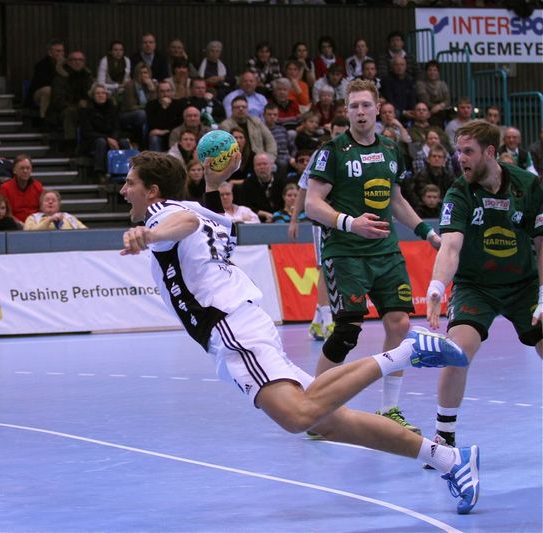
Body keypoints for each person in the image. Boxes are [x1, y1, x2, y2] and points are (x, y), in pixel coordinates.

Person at [118, 150, 480, 516]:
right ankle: (450, 459)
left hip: (230, 330)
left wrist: (150, 233)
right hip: (243, 324)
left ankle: (406, 352)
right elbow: (201, 222)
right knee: (330, 422)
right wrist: (213, 185)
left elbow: (182, 222)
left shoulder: (163, 213)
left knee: (297, 417)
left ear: (153, 191)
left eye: (130, 183)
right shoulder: (204, 214)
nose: (123, 190)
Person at [305, 79, 442, 433]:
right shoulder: (332, 152)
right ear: (346, 111)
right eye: (354, 106)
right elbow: (312, 204)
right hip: (346, 253)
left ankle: (389, 409)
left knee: (399, 324)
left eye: (366, 105)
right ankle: (313, 410)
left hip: (386, 251)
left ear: (378, 108)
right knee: (347, 331)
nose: (361, 112)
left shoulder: (391, 149)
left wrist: (427, 233)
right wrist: (351, 223)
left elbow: (396, 201)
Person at [424, 119, 542, 457]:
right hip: (476, 286)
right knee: (457, 352)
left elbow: (542, 244)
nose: (460, 158)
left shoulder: (528, 185)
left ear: (490, 152)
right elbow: (450, 247)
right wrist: (436, 285)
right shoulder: (459, 192)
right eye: (458, 151)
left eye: (468, 151)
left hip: (524, 284)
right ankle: (444, 438)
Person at [288, 118, 351, 342]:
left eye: (344, 132)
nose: (340, 136)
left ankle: (316, 323)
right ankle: (328, 320)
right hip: (322, 221)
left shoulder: (356, 154)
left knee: (338, 269)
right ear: (330, 132)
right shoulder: (322, 154)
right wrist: (294, 220)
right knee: (326, 267)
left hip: (346, 220)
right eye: (336, 132)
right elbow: (303, 187)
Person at [48, 50, 94, 154]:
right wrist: (77, 105)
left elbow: (93, 94)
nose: (77, 62)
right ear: (68, 62)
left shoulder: (88, 78)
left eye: (80, 60)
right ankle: (70, 144)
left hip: (86, 108)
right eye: (74, 60)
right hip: (62, 111)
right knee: (71, 112)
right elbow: (57, 101)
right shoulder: (60, 78)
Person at [79, 82, 128, 179]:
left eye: (103, 93)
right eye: (97, 93)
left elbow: (117, 127)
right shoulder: (87, 110)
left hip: (111, 138)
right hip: (93, 140)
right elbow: (87, 132)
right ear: (93, 96)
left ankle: (125, 172)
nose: (101, 95)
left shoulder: (113, 108)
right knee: (101, 142)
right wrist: (107, 138)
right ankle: (99, 173)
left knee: (124, 142)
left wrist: (113, 138)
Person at [235, 152, 282, 222]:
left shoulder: (281, 181)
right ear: (254, 167)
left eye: (265, 164)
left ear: (272, 166)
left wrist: (276, 216)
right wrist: (264, 214)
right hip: (256, 220)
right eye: (258, 164)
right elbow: (244, 206)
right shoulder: (247, 184)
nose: (262, 167)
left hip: (280, 219)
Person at [0, 155, 44, 224]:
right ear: (14, 170)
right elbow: (6, 213)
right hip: (14, 225)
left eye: (28, 168)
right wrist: (20, 224)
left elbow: (43, 210)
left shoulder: (38, 186)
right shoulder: (5, 188)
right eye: (22, 168)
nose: (25, 171)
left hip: (35, 224)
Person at [26, 39, 65, 119]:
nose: (61, 53)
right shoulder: (41, 65)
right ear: (50, 53)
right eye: (58, 51)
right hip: (40, 93)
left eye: (62, 51)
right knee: (48, 90)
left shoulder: (67, 64)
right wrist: (58, 68)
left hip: (61, 92)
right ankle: (44, 118)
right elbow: (45, 83)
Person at [119, 63, 157, 146]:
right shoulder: (130, 85)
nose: (143, 75)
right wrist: (146, 108)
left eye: (145, 73)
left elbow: (154, 105)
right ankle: (139, 142)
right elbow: (131, 106)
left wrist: (152, 90)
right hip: (127, 114)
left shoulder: (152, 84)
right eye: (141, 73)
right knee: (141, 114)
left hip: (145, 113)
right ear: (136, 74)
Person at [146, 80, 184, 152]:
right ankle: (156, 159)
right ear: (158, 93)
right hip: (159, 136)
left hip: (173, 134)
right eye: (162, 91)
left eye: (168, 91)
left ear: (172, 92)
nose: (166, 94)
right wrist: (163, 108)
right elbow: (152, 124)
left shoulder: (179, 104)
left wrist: (165, 131)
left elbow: (180, 123)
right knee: (154, 138)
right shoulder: (151, 105)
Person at [414, 60, 450, 128]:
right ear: (426, 72)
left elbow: (447, 100)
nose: (432, 72)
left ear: (438, 72)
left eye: (435, 70)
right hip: (427, 111)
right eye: (430, 70)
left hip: (441, 111)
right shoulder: (420, 84)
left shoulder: (442, 84)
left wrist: (439, 106)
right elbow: (425, 101)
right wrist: (437, 107)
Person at [381, 56, 416, 122]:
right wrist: (403, 112)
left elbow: (412, 98)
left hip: (409, 112)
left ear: (405, 67)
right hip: (395, 112)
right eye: (396, 65)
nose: (399, 67)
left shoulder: (409, 80)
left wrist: (412, 110)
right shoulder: (386, 80)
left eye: (402, 65)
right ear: (392, 67)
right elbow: (389, 99)